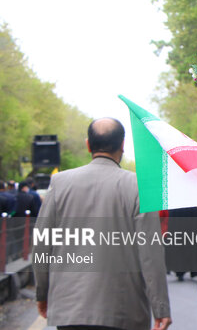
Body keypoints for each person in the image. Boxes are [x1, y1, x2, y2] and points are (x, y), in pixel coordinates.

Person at [34, 118, 172, 330]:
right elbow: (150, 253)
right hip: (123, 311)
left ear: (88, 144)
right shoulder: (138, 188)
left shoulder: (60, 183)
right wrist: (161, 308)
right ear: (122, 144)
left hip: (70, 309)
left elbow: (42, 244)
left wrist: (42, 294)